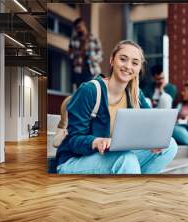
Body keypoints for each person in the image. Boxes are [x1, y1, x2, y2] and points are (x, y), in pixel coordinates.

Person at [55, 40, 178, 174]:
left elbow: (149, 128)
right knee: (126, 160)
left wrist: (152, 142)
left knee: (169, 146)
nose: (128, 66)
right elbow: (74, 140)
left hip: (111, 157)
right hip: (75, 161)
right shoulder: (89, 90)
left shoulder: (136, 94)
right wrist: (95, 141)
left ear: (139, 69)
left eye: (135, 63)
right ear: (112, 60)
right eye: (123, 59)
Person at [69, 18, 103, 91]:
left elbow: (100, 55)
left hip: (92, 70)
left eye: (79, 27)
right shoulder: (73, 39)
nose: (78, 30)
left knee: (91, 91)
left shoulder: (93, 38)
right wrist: (74, 57)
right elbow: (70, 54)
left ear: (84, 25)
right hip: (78, 71)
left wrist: (94, 58)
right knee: (81, 92)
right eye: (76, 28)